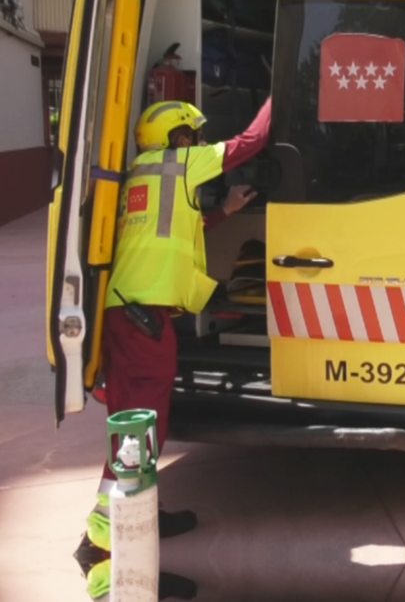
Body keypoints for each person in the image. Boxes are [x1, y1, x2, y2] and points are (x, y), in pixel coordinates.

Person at [86, 98, 271, 551]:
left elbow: (173, 230)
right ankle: (115, 541)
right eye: (194, 133)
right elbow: (253, 142)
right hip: (143, 317)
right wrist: (280, 90)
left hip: (124, 313)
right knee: (142, 426)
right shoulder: (182, 164)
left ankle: (134, 519)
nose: (200, 141)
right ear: (180, 138)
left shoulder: (142, 174)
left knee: (133, 422)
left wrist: (224, 212)